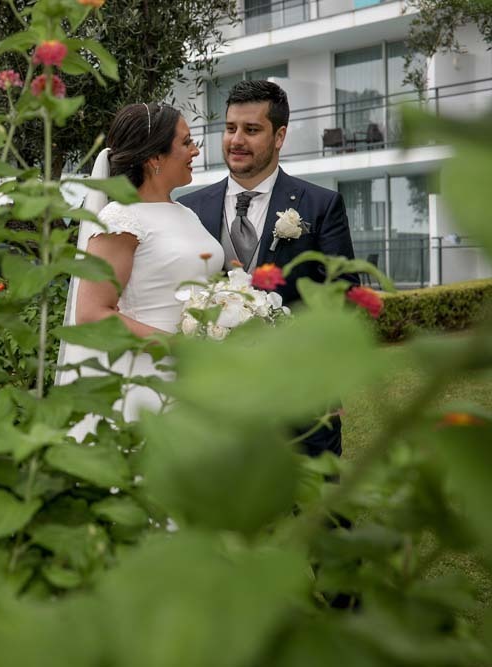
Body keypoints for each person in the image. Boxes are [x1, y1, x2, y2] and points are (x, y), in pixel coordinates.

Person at [177, 80, 359, 457]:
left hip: (300, 399)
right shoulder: (190, 208)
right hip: (216, 401)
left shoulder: (320, 206)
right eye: (230, 129)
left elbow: (343, 299)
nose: (236, 140)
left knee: (317, 509)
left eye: (251, 130)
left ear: (279, 136)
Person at [55, 102, 223, 441]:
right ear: (154, 158)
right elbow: (91, 313)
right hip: (147, 376)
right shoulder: (121, 219)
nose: (196, 150)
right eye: (186, 142)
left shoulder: (185, 213)